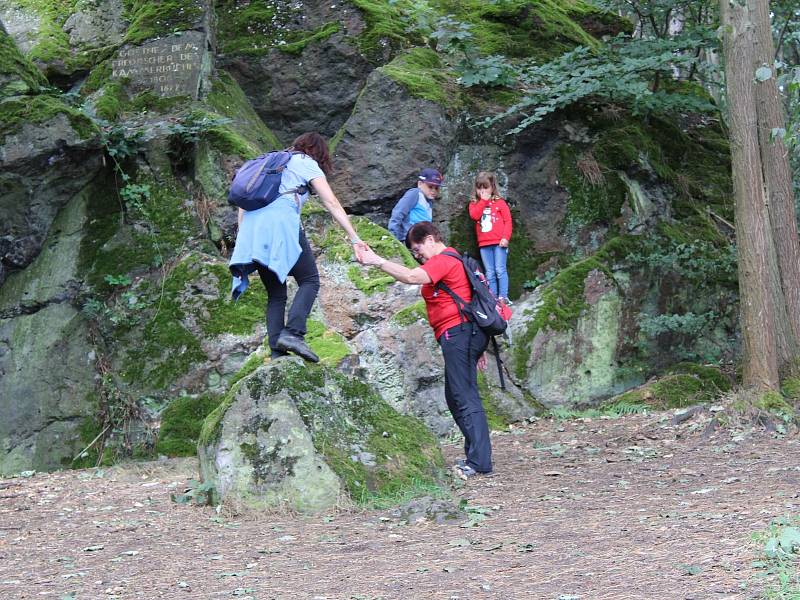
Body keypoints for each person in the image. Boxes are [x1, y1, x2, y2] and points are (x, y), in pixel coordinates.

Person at [357, 221, 492, 479]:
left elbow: (411, 277)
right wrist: (478, 345)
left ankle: (479, 461)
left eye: (418, 250)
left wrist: (376, 260)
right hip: (462, 334)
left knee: (464, 395)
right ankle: (475, 453)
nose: (418, 256)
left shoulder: (443, 260)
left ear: (430, 239)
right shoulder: (451, 262)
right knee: (456, 397)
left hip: (459, 333)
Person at [229, 132, 367, 363]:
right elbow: (331, 202)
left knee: (276, 294)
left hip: (252, 230)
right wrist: (354, 237)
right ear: (319, 152)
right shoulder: (305, 162)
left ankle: (277, 352)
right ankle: (293, 333)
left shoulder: (270, 163)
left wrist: (244, 239)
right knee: (310, 279)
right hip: (280, 222)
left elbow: (243, 205)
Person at [467, 171, 512, 304]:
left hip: (499, 243)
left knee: (500, 270)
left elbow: (508, 221)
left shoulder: (500, 203)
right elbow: (475, 216)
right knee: (490, 273)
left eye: (485, 187)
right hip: (484, 244)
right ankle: (493, 299)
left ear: (492, 187)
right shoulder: (474, 204)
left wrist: (506, 237)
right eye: (479, 187)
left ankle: (503, 297)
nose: (482, 191)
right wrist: (483, 201)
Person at [388, 168, 443, 244]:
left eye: (436, 188)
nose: (433, 191)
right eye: (430, 187)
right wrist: (394, 239)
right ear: (420, 184)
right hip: (406, 241)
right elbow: (398, 213)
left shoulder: (429, 201)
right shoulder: (414, 194)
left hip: (419, 243)